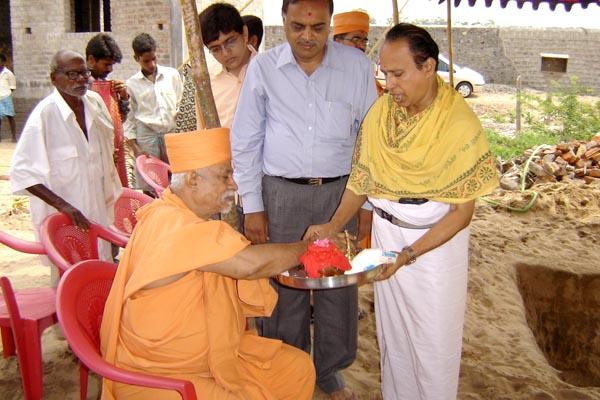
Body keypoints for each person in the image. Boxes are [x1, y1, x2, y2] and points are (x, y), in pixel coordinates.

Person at [305, 23, 499, 399]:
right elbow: (361, 181)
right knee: (394, 339)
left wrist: (409, 255)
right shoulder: (380, 115)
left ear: (428, 67)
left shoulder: (457, 124)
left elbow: (461, 213)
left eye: (398, 73)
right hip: (386, 234)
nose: (389, 83)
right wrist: (331, 225)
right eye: (385, 73)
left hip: (434, 246)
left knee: (432, 344)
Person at [100, 128, 343, 399]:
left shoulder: (179, 215)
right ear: (193, 179)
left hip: (212, 356)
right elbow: (250, 265)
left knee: (296, 369)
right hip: (162, 373)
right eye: (224, 176)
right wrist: (309, 247)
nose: (234, 185)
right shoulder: (174, 224)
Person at [231, 1, 377, 398]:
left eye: (317, 27)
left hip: (339, 195)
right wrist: (253, 206)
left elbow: (371, 142)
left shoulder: (356, 67)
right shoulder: (263, 68)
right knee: (284, 285)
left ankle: (329, 371)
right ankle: (288, 366)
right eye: (298, 26)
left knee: (337, 286)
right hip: (280, 194)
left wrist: (364, 206)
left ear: (329, 24)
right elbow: (245, 140)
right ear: (284, 22)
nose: (307, 36)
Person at [9, 50, 122, 279]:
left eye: (84, 73)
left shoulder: (93, 103)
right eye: (72, 74)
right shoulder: (45, 115)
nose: (81, 80)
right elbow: (23, 173)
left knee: (102, 277)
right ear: (54, 78)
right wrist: (63, 206)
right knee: (72, 281)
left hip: (98, 215)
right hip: (67, 222)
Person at [174, 2, 256, 132]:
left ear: (244, 34)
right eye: (216, 49)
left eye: (230, 41)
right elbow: (203, 133)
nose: (225, 53)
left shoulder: (270, 72)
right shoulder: (206, 84)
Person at [332, 10, 376, 247]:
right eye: (354, 39)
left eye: (363, 40)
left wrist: (367, 204)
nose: (360, 45)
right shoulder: (323, 74)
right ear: (336, 40)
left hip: (359, 178)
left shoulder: (367, 72)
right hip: (334, 181)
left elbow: (370, 139)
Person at [124, 33, 183, 195]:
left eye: (153, 59)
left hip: (171, 132)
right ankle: (154, 215)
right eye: (146, 61)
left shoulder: (172, 75)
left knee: (177, 179)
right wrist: (135, 148)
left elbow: (181, 104)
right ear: (136, 58)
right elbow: (129, 120)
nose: (151, 64)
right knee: (150, 181)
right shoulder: (131, 84)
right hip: (147, 137)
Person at [86, 33, 130, 187]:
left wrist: (123, 97)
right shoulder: (81, 87)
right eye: (106, 64)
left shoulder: (108, 85)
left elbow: (121, 119)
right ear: (91, 60)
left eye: (112, 65)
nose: (110, 69)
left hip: (114, 153)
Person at [0, 54, 17, 141]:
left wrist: (7, 93)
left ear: (3, 62)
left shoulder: (8, 73)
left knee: (10, 116)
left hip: (6, 96)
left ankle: (13, 136)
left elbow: (12, 86)